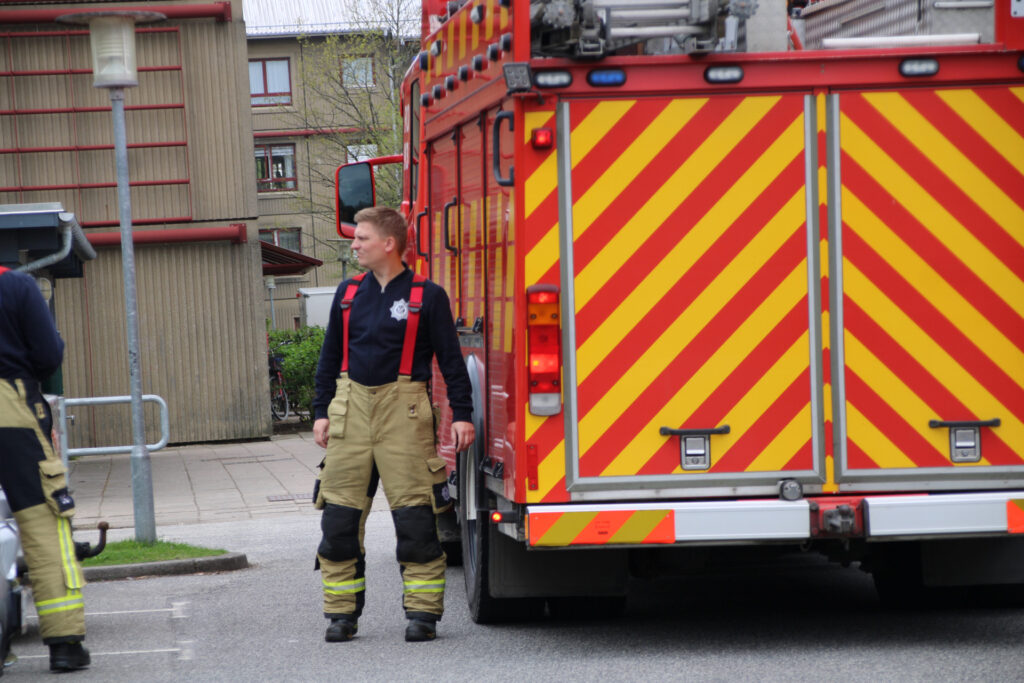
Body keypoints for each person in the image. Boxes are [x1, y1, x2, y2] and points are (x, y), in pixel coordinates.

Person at [311, 207, 474, 643]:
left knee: (416, 522)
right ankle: (341, 616)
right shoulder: (348, 294)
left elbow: (451, 361)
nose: (354, 245)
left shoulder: (427, 295)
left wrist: (462, 415)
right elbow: (329, 358)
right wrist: (321, 411)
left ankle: (423, 616)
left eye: (361, 238)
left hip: (405, 414)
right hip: (350, 413)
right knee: (338, 522)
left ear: (388, 243)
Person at [0, 265, 89, 672]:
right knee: (44, 523)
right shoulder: (15, 284)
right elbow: (48, 356)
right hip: (12, 408)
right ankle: (65, 644)